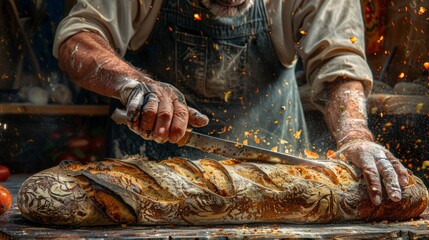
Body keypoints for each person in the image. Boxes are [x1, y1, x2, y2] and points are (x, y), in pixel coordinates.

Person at [53, 0, 409, 206]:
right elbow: (78, 38)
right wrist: (133, 85)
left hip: (278, 188)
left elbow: (340, 63)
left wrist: (355, 133)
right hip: (147, 186)